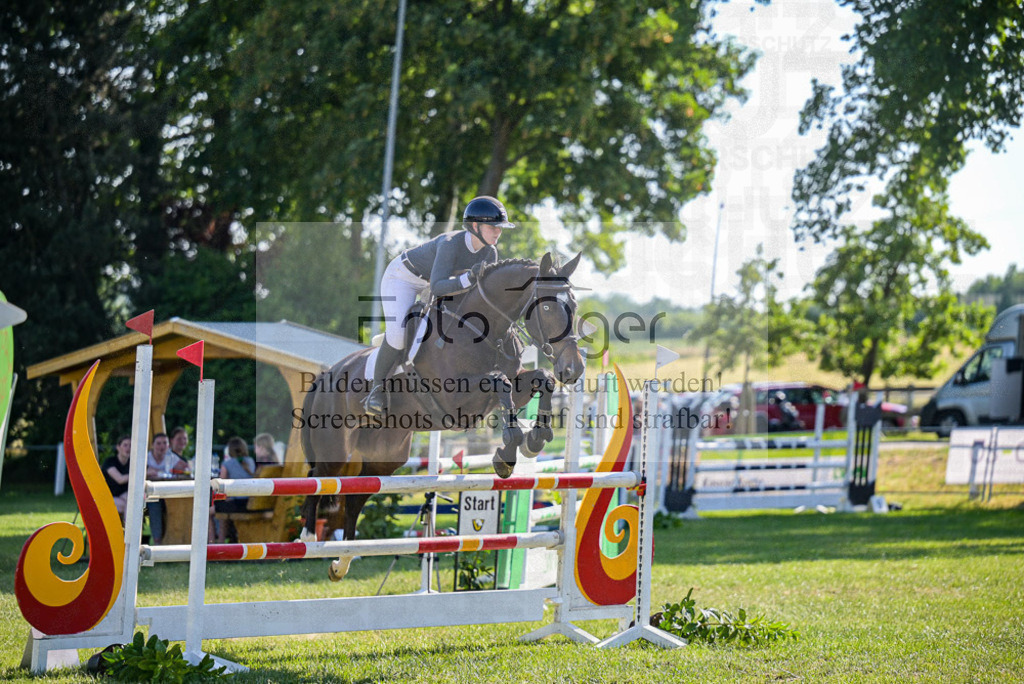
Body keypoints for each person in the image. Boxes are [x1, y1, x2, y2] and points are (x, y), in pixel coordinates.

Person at [364, 195, 514, 417]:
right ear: (475, 226)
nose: (498, 231)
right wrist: (468, 280)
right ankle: (376, 390)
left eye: (500, 227)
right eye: (493, 226)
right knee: (398, 334)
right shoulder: (450, 244)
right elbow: (437, 286)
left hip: (435, 281)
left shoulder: (489, 253)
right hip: (403, 277)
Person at [214, 436, 256, 542]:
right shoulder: (250, 461)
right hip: (249, 503)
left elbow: (220, 487)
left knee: (211, 512)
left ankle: (217, 544)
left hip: (237, 504)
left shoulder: (227, 464)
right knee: (223, 511)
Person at [145, 433, 184, 545]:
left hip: (168, 494)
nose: (161, 446)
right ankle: (158, 542)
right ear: (152, 445)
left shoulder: (171, 457)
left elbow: (187, 468)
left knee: (178, 505)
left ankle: (178, 541)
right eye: (158, 443)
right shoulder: (146, 457)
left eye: (164, 443)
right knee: (155, 504)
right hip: (149, 494)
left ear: (168, 445)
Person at [102, 435, 132, 522]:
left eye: (130, 445)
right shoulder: (110, 461)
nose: (128, 448)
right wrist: (139, 474)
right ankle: (128, 533)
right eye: (125, 445)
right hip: (107, 497)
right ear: (118, 447)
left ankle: (127, 531)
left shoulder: (132, 462)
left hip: (122, 496)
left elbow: (148, 469)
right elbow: (120, 479)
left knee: (133, 501)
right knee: (131, 506)